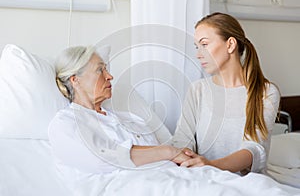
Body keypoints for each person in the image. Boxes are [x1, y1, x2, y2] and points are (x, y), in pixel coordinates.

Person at [48, 45, 190, 176]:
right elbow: (103, 160)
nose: (109, 76)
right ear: (75, 80)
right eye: (100, 70)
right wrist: (168, 152)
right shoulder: (66, 123)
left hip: (180, 176)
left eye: (106, 69)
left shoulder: (131, 119)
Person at [172, 12, 280, 174]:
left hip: (247, 183)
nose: (198, 54)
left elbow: (254, 149)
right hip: (202, 178)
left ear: (230, 45)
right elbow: (182, 139)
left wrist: (211, 165)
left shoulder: (265, 92)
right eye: (197, 46)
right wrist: (189, 160)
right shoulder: (197, 90)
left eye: (205, 44)